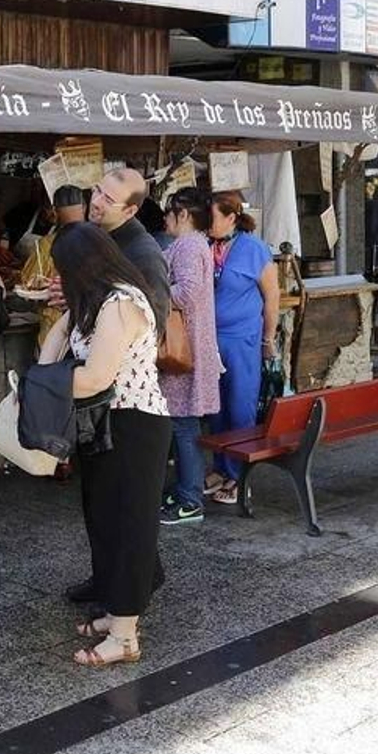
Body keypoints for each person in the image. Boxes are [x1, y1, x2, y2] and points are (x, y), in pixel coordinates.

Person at [40, 223, 171, 667]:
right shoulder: (94, 302)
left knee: (129, 527)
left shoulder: (119, 305)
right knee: (105, 523)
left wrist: (43, 386)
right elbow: (56, 340)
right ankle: (117, 613)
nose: (60, 280)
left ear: (83, 268)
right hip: (102, 425)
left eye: (64, 271)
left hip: (134, 426)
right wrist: (45, 373)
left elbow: (97, 377)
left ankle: (125, 636)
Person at [204, 191, 280, 506]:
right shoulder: (205, 245)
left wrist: (268, 339)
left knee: (239, 407)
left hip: (242, 340)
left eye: (211, 218)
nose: (206, 223)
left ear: (231, 218)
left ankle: (240, 477)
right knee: (215, 408)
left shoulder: (254, 249)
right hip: (209, 340)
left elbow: (272, 297)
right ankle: (221, 467)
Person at [157, 188, 221, 526]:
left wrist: (152, 292)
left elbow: (186, 292)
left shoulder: (188, 245)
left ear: (183, 214)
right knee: (184, 424)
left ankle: (191, 499)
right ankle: (185, 490)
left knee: (183, 425)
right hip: (192, 345)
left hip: (183, 347)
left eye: (169, 211)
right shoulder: (197, 244)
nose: (165, 218)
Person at [86, 168, 172, 335]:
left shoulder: (145, 256)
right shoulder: (93, 234)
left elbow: (156, 322)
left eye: (108, 200)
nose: (96, 201)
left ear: (130, 211)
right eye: (97, 190)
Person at [18, 185, 86, 348]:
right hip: (88, 326)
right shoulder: (101, 241)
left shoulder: (46, 245)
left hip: (54, 326)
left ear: (55, 212)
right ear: (84, 207)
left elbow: (28, 283)